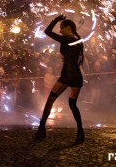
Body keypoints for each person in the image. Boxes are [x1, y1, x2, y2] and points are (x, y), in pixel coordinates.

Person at [35, 14, 85, 144]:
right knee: (73, 105)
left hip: (67, 75)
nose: (60, 31)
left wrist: (56, 19)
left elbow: (47, 31)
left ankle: (41, 128)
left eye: (61, 28)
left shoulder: (66, 40)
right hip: (77, 76)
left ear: (68, 28)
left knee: (51, 99)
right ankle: (80, 131)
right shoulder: (77, 40)